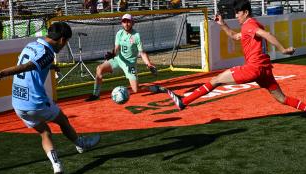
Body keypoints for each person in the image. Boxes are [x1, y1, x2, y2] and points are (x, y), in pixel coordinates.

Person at [0, 22, 100, 174]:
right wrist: (2, 73)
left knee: (45, 132)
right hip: (36, 102)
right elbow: (28, 66)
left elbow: (31, 63)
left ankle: (57, 166)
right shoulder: (47, 53)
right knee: (63, 120)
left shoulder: (31, 45)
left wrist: (50, 67)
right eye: (66, 42)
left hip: (18, 104)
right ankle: (81, 144)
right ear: (62, 40)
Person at [167, 0, 306, 113]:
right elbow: (235, 36)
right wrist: (223, 24)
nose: (236, 16)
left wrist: (284, 50)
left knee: (216, 80)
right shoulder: (252, 25)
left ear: (245, 12)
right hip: (265, 70)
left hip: (254, 68)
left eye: (238, 13)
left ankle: (183, 101)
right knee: (282, 99)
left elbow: (267, 35)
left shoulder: (249, 25)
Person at [85, 14, 163, 101]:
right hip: (119, 59)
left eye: (128, 21)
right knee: (99, 69)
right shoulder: (119, 33)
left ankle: (154, 88)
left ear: (132, 23)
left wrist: (148, 64)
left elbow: (142, 52)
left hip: (130, 64)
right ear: (122, 23)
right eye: (124, 22)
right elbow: (117, 47)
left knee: (136, 90)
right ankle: (96, 94)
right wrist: (113, 53)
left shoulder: (136, 36)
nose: (126, 24)